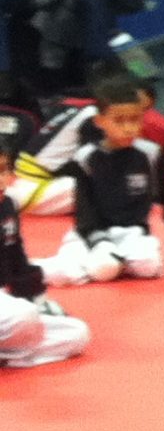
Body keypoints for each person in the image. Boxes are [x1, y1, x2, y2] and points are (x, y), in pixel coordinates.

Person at [42, 71, 164, 285]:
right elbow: (85, 215)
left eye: (134, 120)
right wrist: (102, 245)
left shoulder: (151, 154)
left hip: (132, 234)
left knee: (149, 266)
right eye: (119, 121)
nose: (128, 128)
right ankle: (32, 270)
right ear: (100, 121)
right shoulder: (85, 159)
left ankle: (113, 264)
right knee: (101, 268)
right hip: (91, 234)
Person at [0, 93, 87, 368]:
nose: (3, 179)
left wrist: (38, 297)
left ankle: (8, 355)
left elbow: (17, 259)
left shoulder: (7, 205)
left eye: (4, 170)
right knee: (24, 316)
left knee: (77, 334)